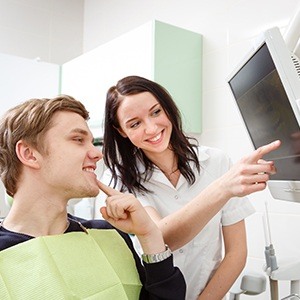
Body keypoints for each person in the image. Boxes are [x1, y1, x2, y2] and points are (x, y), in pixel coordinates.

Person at [95, 75, 281, 300]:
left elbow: (236, 252)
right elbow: (160, 239)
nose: (152, 128)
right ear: (121, 130)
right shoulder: (118, 179)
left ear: (167, 108)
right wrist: (222, 188)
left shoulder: (216, 162)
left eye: (156, 112)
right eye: (135, 123)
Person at [0, 95, 186, 300]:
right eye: (78, 140)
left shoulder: (108, 235)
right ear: (29, 154)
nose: (97, 154)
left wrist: (150, 235)